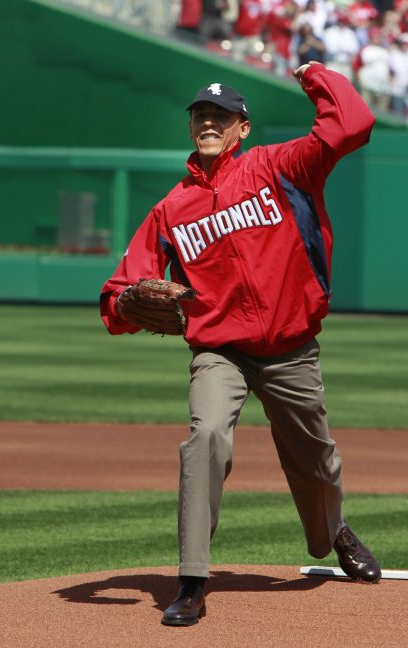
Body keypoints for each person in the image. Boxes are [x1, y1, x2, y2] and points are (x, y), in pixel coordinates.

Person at [100, 62, 381, 627]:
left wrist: (315, 75)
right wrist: (125, 305)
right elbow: (118, 291)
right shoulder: (171, 209)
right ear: (191, 128)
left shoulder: (282, 167)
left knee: (315, 458)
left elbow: (352, 125)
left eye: (220, 115)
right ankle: (191, 580)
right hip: (219, 349)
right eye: (201, 115)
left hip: (290, 346)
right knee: (204, 438)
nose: (209, 122)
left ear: (242, 127)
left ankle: (334, 532)